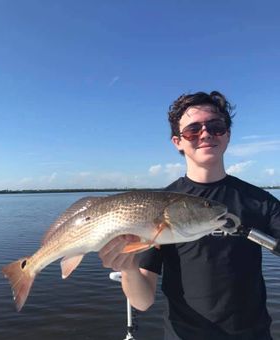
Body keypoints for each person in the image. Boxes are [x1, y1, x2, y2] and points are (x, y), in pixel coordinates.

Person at [99, 91, 280, 340]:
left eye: (216, 126)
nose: (205, 134)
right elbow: (143, 302)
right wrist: (129, 269)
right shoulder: (156, 207)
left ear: (227, 134)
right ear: (178, 141)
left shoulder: (260, 201)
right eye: (192, 130)